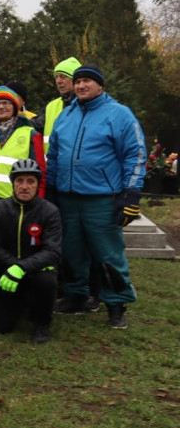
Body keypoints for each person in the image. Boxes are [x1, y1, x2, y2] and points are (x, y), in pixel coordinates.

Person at [46, 63, 145, 329]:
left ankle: (116, 303)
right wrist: (51, 190)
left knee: (108, 254)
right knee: (72, 252)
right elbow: (53, 156)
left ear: (100, 85)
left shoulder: (120, 115)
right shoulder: (65, 116)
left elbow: (135, 156)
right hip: (67, 198)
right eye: (78, 82)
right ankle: (77, 296)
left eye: (87, 81)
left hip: (101, 199)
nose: (81, 86)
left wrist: (131, 196)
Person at [0, 159, 62, 343]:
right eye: (20, 181)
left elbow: (53, 251)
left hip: (36, 272)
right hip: (7, 271)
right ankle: (19, 303)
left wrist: (23, 267)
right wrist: (14, 266)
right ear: (13, 184)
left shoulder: (50, 211)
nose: (25, 186)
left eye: (30, 181)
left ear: (37, 185)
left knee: (47, 278)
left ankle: (42, 323)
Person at [33, 56, 81, 145]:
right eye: (56, 77)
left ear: (76, 80)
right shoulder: (51, 106)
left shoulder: (88, 105)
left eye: (63, 77)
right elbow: (36, 126)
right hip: (52, 158)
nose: (58, 81)